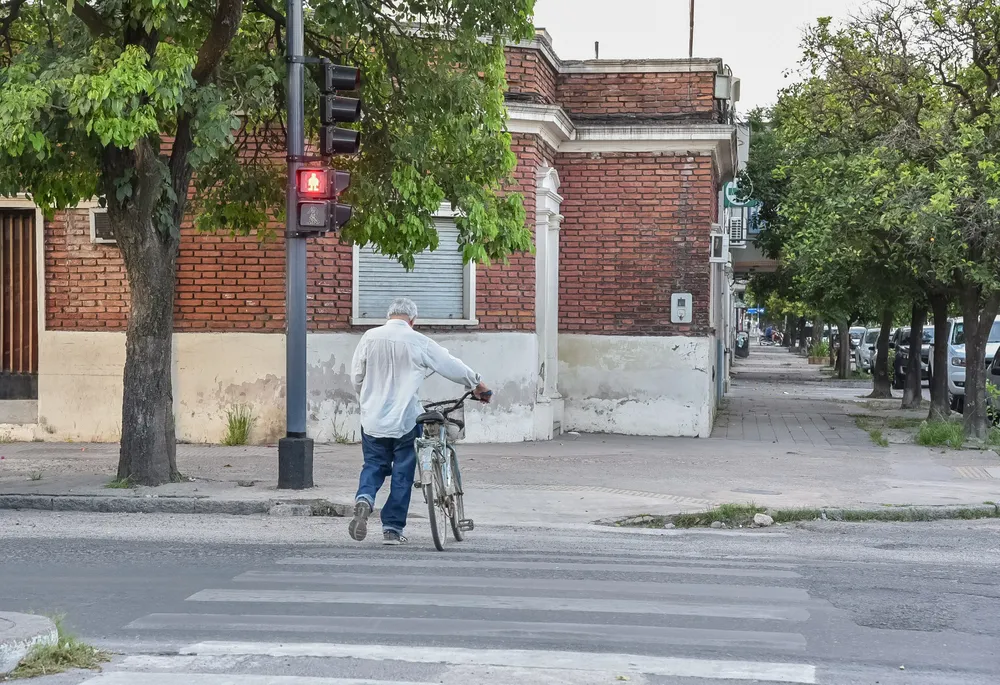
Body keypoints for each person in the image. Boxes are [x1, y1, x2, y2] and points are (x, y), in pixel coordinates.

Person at [348, 297, 491, 545]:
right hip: (405, 419)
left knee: (373, 465)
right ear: (412, 321)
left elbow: (356, 377)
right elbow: (449, 364)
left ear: (388, 315)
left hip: (372, 419)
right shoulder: (418, 341)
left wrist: (370, 399)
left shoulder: (369, 337)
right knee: (402, 474)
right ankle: (392, 529)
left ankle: (365, 499)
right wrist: (477, 384)